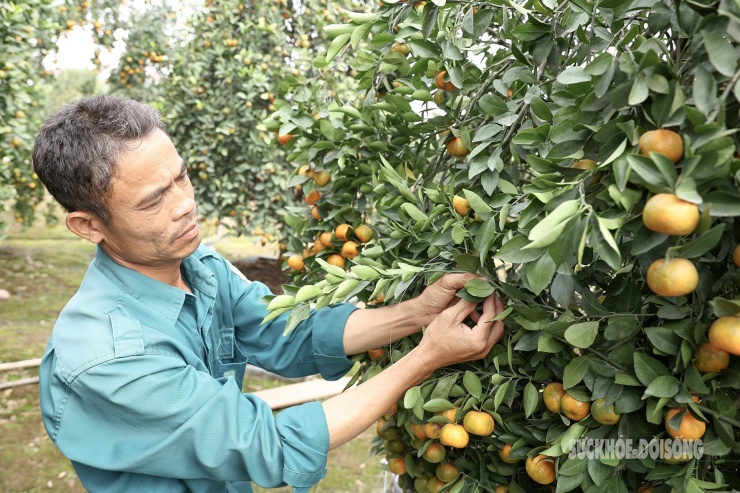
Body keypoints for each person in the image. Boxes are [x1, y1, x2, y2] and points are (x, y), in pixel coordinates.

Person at [33, 95, 505, 493]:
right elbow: (267, 444)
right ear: (88, 225)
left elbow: (287, 333)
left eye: (181, 177)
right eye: (154, 199)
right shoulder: (108, 358)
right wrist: (426, 357)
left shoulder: (201, 268)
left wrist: (415, 314)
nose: (185, 203)